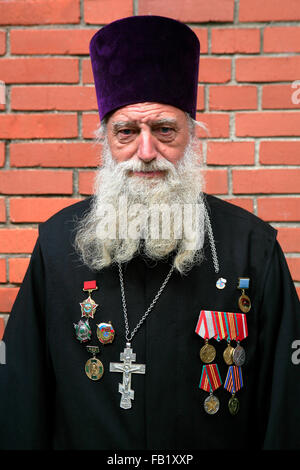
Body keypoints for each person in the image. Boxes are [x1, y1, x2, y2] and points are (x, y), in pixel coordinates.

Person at [0, 15, 299, 451]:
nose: (146, 152)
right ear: (106, 139)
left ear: (190, 136)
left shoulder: (252, 247)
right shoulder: (56, 244)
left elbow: (286, 406)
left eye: (164, 130)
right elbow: (19, 398)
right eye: (127, 132)